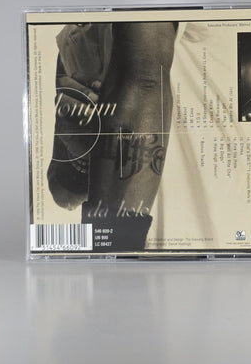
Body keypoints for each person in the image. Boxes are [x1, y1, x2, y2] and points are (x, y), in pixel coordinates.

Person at [47, 21, 177, 251]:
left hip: (183, 239)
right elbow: (63, 193)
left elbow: (146, 80)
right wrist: (82, 160)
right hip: (128, 243)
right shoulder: (76, 32)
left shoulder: (141, 10)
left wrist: (110, 249)